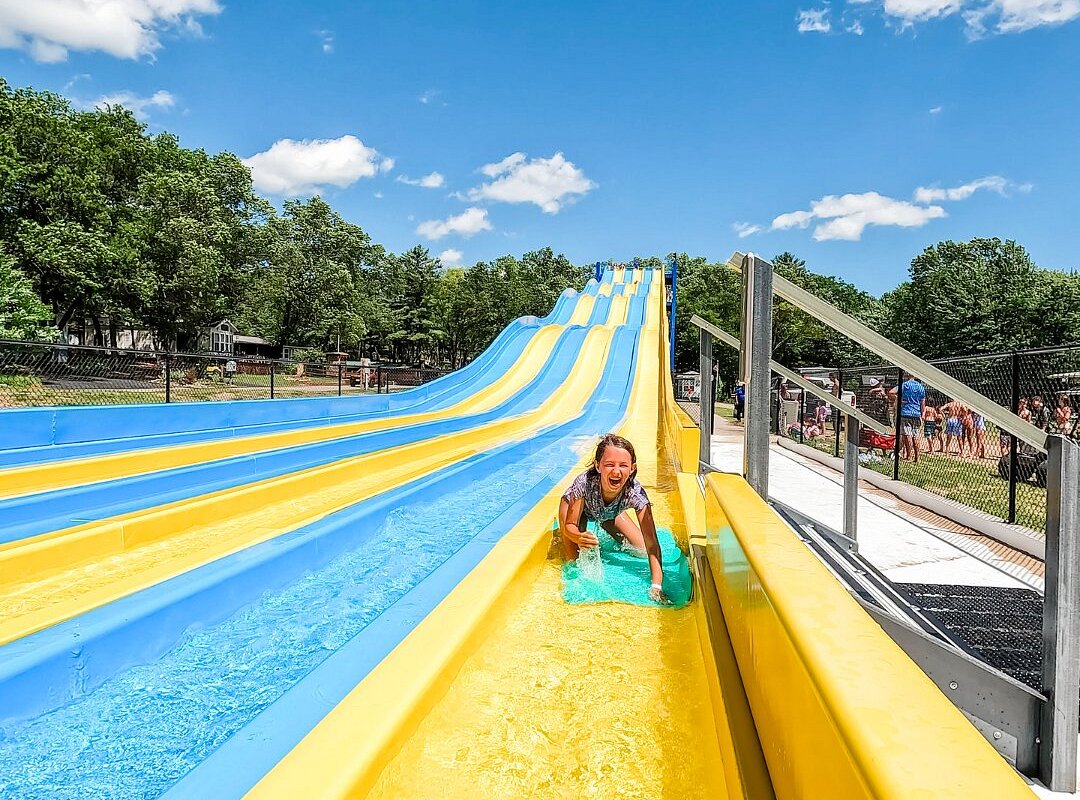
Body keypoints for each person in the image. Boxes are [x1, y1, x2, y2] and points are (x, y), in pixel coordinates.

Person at [559, 434, 669, 604]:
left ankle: (606, 518)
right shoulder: (584, 483)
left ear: (632, 468)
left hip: (609, 513)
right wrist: (578, 537)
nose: (616, 471)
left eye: (623, 465)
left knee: (640, 549)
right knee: (575, 564)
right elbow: (570, 526)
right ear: (598, 466)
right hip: (575, 511)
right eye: (609, 464)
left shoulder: (636, 495)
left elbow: (652, 544)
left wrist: (657, 586)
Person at [899, 372, 926, 464]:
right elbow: (922, 402)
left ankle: (909, 456)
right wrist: (922, 415)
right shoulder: (920, 387)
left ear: (907, 375)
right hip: (916, 413)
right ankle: (917, 457)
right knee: (916, 435)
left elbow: (892, 392)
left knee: (908, 435)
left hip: (906, 412)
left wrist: (900, 400)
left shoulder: (905, 385)